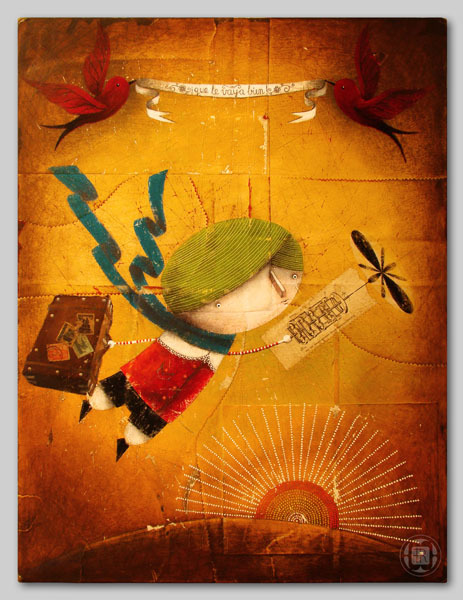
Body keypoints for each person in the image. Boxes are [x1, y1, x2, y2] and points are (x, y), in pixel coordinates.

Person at [83, 217, 303, 460]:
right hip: (159, 363)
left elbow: (199, 380)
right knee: (145, 367)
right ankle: (115, 395)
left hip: (170, 387)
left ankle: (131, 416)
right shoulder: (195, 315)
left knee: (161, 383)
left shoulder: (222, 337)